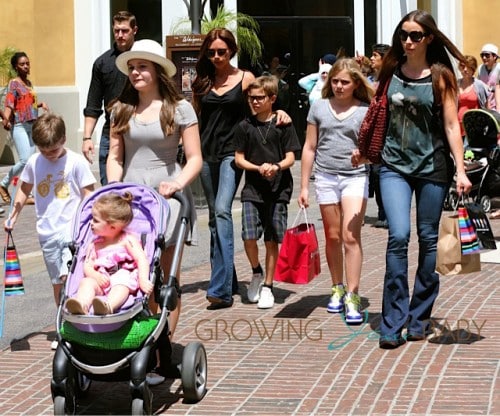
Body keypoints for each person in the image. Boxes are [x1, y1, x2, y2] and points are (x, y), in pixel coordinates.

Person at [352, 10, 472, 348]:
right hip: (393, 166)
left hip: (433, 167)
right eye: (404, 34)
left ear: (429, 38)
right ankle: (392, 320)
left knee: (429, 239)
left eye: (416, 35)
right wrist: (364, 149)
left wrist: (461, 170)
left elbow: (451, 126)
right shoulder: (391, 70)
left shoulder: (441, 76)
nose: (408, 40)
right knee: (399, 235)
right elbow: (377, 110)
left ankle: (419, 317)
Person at [107, 39, 202, 383]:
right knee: (133, 271)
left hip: (168, 197)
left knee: (165, 279)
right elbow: (116, 157)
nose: (135, 72)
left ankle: (164, 349)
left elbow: (194, 159)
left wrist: (177, 185)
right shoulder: (120, 109)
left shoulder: (179, 109)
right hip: (131, 199)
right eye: (132, 67)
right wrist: (114, 187)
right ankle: (137, 340)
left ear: (158, 71)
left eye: (142, 66)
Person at [191, 28, 291, 310]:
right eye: (211, 52)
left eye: (222, 51)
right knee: (214, 217)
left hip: (231, 154)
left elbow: (265, 100)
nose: (216, 56)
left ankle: (220, 289)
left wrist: (281, 112)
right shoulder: (202, 81)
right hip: (206, 153)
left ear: (232, 51)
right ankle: (228, 279)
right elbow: (196, 118)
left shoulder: (245, 78)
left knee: (223, 209)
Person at [3, 113, 96, 349]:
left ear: (63, 139)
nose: (49, 155)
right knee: (58, 283)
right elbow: (24, 189)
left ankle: (81, 326)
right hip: (47, 233)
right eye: (44, 151)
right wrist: (14, 215)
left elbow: (89, 195)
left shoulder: (76, 162)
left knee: (71, 277)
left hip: (72, 231)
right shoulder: (35, 162)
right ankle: (64, 325)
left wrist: (90, 225)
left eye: (53, 150)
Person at [299, 58, 374, 325]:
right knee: (332, 236)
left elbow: (374, 151)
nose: (339, 86)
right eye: (335, 81)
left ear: (356, 84)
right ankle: (337, 287)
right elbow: (309, 147)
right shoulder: (319, 107)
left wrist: (362, 157)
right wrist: (304, 185)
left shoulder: (366, 110)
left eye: (344, 82)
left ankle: (353, 295)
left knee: (350, 236)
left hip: (355, 177)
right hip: (326, 175)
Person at [234, 75, 301, 309]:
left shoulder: (283, 124)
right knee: (248, 235)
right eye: (251, 98)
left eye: (259, 98)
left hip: (278, 189)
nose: (254, 102)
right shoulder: (244, 126)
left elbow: (292, 156)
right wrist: (257, 168)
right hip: (253, 188)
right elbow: (239, 158)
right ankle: (256, 272)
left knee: (272, 239)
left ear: (272, 99)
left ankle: (269, 286)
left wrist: (276, 167)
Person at [65, 192, 153, 315]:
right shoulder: (94, 244)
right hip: (102, 279)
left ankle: (109, 306)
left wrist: (143, 280)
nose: (91, 223)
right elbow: (87, 266)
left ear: (112, 226)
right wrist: (95, 276)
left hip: (123, 276)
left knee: (122, 284)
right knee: (86, 282)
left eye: (95, 220)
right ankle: (82, 305)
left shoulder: (127, 240)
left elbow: (141, 259)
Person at [82, 11, 138, 185]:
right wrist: (87, 137)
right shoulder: (102, 63)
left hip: (139, 130)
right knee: (110, 190)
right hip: (111, 131)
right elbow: (93, 103)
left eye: (124, 30)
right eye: (116, 31)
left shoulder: (144, 59)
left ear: (134, 30)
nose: (120, 35)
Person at [0, 51, 49, 206]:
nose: (26, 66)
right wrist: (6, 118)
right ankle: (3, 184)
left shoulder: (29, 84)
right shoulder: (14, 83)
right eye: (22, 64)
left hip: (32, 125)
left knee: (32, 162)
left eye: (27, 63)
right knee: (24, 160)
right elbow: (9, 103)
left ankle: (26, 194)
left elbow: (29, 103)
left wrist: (40, 104)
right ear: (16, 66)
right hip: (20, 125)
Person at [367, 44, 391, 229]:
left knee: (382, 173)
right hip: (374, 133)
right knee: (375, 175)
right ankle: (382, 211)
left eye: (375, 55)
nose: (372, 58)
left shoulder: (390, 80)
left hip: (386, 133)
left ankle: (387, 212)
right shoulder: (373, 78)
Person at [457, 55, 489, 140]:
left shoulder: (479, 85)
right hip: (457, 127)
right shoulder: (455, 85)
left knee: (470, 152)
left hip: (474, 127)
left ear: (473, 69)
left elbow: (486, 107)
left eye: (468, 67)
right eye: (463, 67)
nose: (465, 70)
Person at [477, 43, 499, 111]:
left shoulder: (499, 68)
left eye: (487, 55)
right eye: (482, 55)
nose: (484, 58)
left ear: (494, 56)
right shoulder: (480, 68)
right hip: (484, 106)